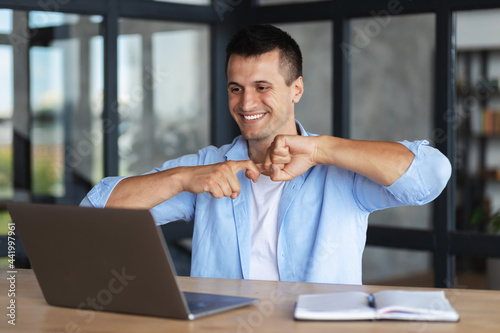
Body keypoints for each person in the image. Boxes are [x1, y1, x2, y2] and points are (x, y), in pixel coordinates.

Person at [81, 24, 451, 285]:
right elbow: (95, 213)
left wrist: (323, 149)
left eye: (262, 87)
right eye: (235, 88)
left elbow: (431, 176)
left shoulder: (338, 170)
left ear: (296, 90)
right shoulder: (207, 168)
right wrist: (181, 178)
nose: (246, 103)